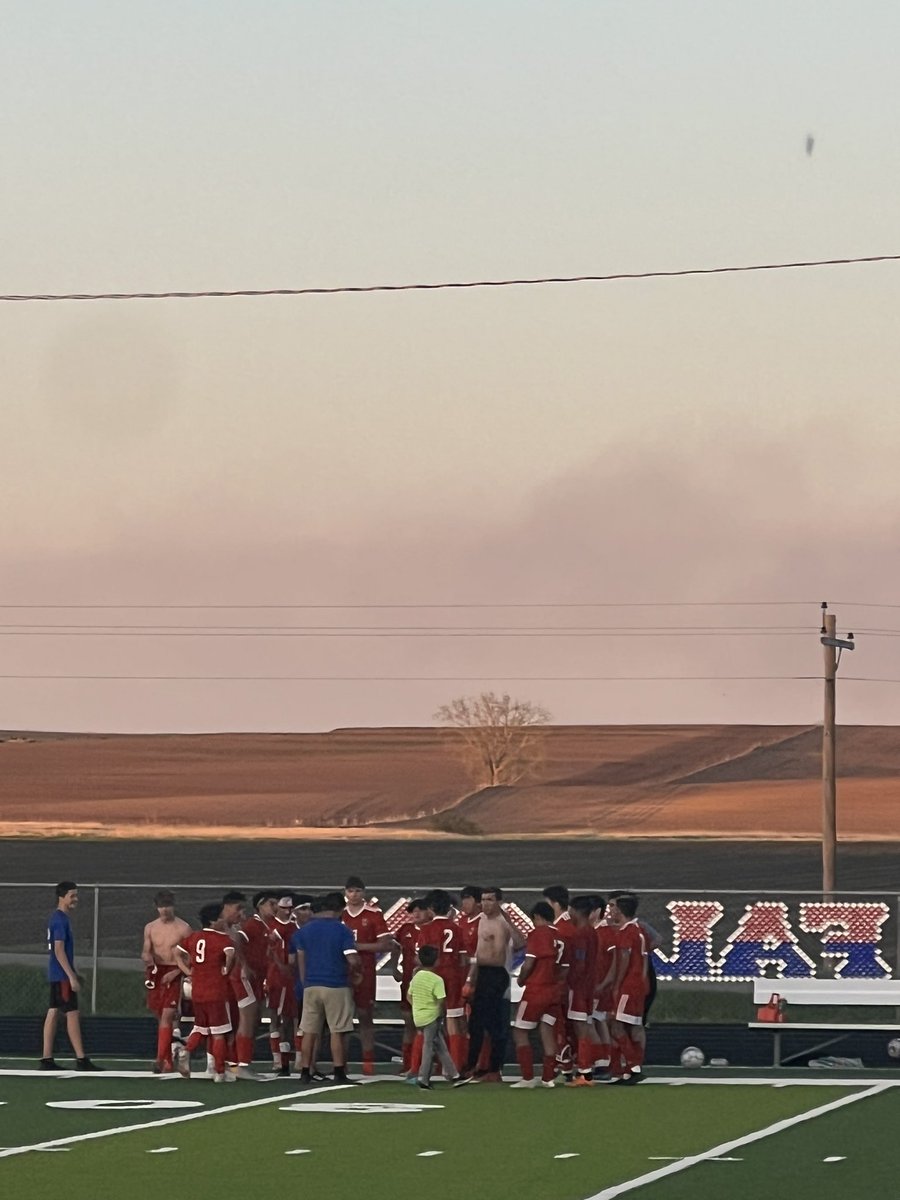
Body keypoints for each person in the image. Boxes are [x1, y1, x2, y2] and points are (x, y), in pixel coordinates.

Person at [454, 886, 524, 1085]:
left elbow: (498, 958)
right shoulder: (483, 920)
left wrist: (471, 962)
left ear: (499, 902)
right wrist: (471, 976)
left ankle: (493, 1068)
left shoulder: (500, 924)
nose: (485, 903)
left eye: (490, 900)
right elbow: (480, 950)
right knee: (477, 1023)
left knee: (494, 1025)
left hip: (496, 974)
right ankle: (473, 1066)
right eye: (483, 899)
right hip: (484, 973)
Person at [294, 892, 362, 1085]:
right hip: (336, 984)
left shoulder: (305, 931)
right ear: (339, 910)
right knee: (337, 1030)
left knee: (309, 1030)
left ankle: (305, 1070)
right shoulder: (342, 930)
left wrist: (305, 982)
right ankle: (339, 1071)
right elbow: (352, 958)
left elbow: (301, 959)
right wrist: (357, 970)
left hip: (311, 984)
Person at [40, 880, 101, 1071]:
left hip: (57, 973)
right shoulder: (60, 920)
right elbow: (59, 950)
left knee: (53, 1011)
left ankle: (46, 1058)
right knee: (72, 1013)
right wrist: (71, 976)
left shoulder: (58, 918)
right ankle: (81, 1059)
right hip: (61, 976)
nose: (75, 899)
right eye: (72, 895)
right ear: (62, 897)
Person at [174, 901, 237, 1083]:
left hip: (198, 991)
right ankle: (219, 1072)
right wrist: (226, 969)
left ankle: (186, 1050)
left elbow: (177, 953)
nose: (224, 920)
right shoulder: (223, 939)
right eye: (221, 917)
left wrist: (188, 972)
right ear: (213, 921)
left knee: (200, 1028)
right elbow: (230, 955)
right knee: (218, 1032)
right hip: (216, 990)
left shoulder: (194, 937)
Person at [510, 901, 566, 1088]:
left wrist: (521, 980)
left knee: (520, 1030)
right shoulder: (561, 936)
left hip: (536, 990)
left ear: (537, 917)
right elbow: (565, 968)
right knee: (547, 1030)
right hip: (554, 991)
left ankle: (527, 1078)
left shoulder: (538, 934)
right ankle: (548, 1078)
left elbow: (528, 963)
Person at [341, 876, 392, 1074]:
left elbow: (386, 944)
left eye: (358, 891)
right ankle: (341, 1063)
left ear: (364, 892)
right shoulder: (340, 914)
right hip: (342, 971)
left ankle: (368, 1062)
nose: (354, 895)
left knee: (365, 1015)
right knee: (342, 1018)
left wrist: (357, 947)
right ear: (345, 892)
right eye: (350, 891)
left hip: (366, 971)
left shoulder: (373, 914)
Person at [141, 889, 191, 1073]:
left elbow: (190, 957)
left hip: (174, 971)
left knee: (168, 1015)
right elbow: (146, 950)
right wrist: (147, 958)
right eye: (162, 906)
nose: (165, 910)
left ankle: (160, 1059)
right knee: (159, 1014)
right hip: (156, 972)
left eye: (168, 906)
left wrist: (177, 971)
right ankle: (168, 1060)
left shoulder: (183, 928)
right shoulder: (150, 927)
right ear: (156, 907)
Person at [418, 890, 468, 1070]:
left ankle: (421, 1067)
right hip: (453, 976)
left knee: (428, 1021)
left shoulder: (426, 929)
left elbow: (421, 958)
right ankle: (456, 1066)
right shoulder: (457, 929)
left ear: (431, 908)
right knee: (453, 1020)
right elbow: (463, 959)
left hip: (433, 976)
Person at [606, 893, 649, 1085]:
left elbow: (624, 958)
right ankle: (630, 1069)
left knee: (616, 1024)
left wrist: (617, 984)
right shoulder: (640, 931)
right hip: (638, 985)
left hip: (628, 986)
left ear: (620, 911)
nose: (611, 912)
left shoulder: (627, 932)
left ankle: (633, 1066)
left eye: (613, 908)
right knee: (633, 1026)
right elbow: (645, 960)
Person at [407, 945, 460, 1089]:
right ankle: (423, 1078)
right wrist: (441, 1014)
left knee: (440, 1046)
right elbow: (441, 1001)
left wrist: (417, 1007)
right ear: (436, 961)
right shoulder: (437, 980)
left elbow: (409, 996)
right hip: (432, 1017)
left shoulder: (416, 977)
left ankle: (454, 1075)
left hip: (418, 1017)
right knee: (429, 1047)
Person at [389, 897, 429, 1075]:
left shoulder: (433, 929)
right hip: (408, 982)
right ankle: (408, 1063)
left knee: (429, 1025)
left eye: (420, 910)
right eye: (414, 911)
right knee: (409, 1023)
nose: (417, 914)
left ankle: (428, 1063)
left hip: (427, 983)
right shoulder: (405, 929)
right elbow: (395, 948)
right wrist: (393, 967)